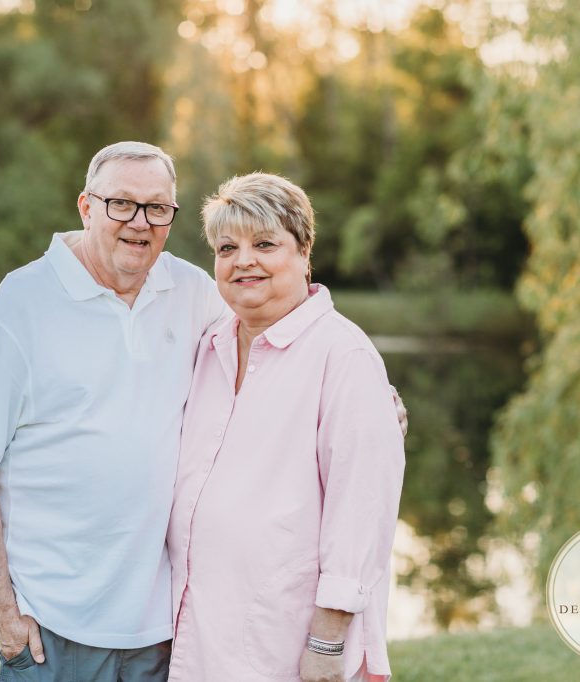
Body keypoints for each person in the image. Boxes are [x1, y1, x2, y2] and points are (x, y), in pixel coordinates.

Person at [0, 142, 407, 682]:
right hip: (55, 625)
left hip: (166, 632)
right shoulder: (26, 305)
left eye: (157, 208)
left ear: (305, 253)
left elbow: (356, 504)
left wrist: (376, 408)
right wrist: (2, 607)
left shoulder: (193, 294)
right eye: (121, 204)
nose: (139, 222)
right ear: (86, 207)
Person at [167, 173, 405, 682]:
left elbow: (362, 514)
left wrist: (326, 642)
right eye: (227, 247)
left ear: (303, 252)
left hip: (285, 643)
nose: (243, 260)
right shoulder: (209, 347)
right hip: (200, 639)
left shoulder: (344, 357)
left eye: (265, 244)